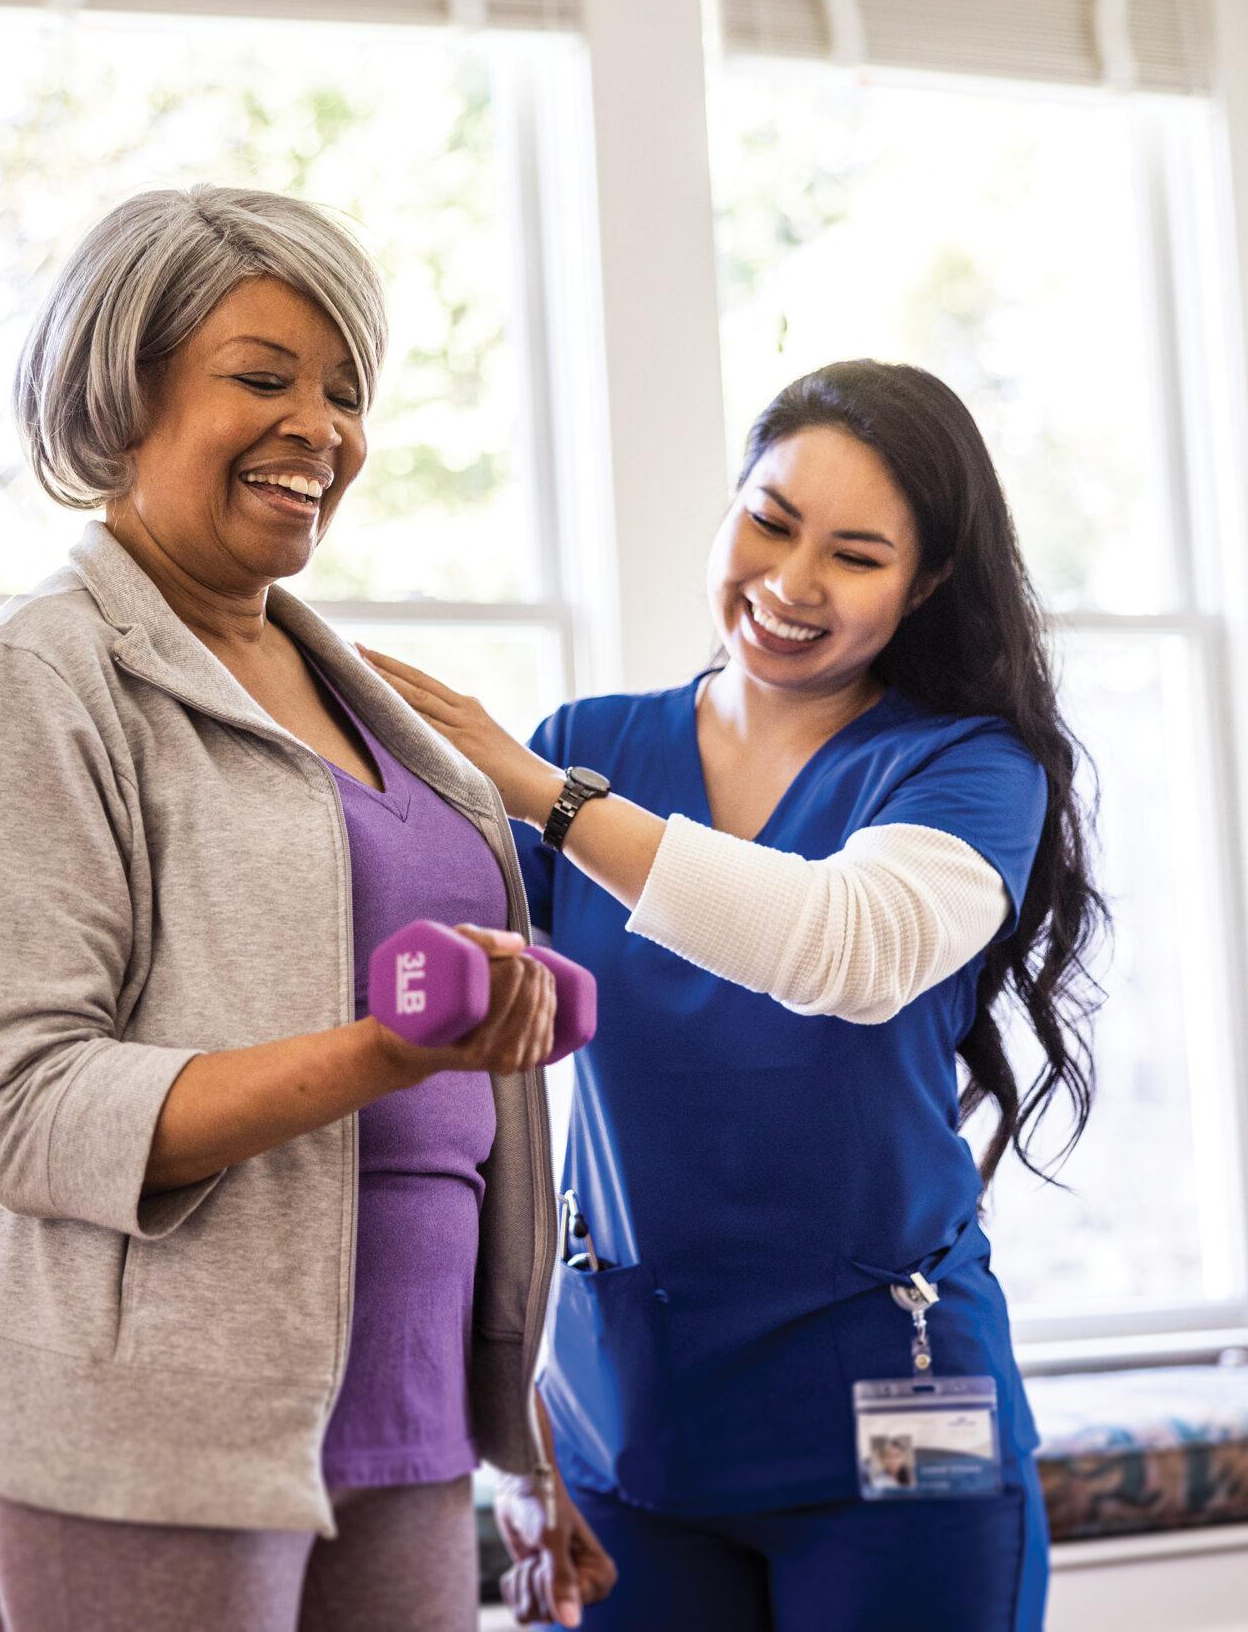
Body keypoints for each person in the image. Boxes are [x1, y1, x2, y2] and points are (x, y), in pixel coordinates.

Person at [0, 185, 599, 1632]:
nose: (324, 428)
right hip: (155, 1427)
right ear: (126, 392)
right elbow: (28, 1108)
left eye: (346, 391)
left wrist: (523, 1437)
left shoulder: (365, 695)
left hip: (406, 1410)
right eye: (264, 377)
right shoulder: (45, 679)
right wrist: (383, 1051)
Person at [369, 359, 1106, 1631]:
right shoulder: (590, 737)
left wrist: (547, 796)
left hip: (897, 1423)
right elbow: (457, 1079)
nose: (790, 582)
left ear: (925, 582)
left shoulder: (967, 766)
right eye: (768, 520)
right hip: (625, 1421)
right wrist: (513, 1414)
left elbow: (846, 946)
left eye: (855, 554)